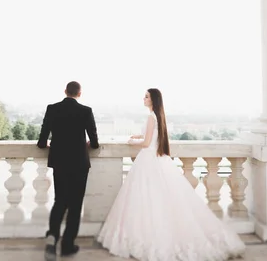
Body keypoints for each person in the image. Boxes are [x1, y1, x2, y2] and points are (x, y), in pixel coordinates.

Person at [97, 88, 245, 261]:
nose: (143, 99)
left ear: (153, 100)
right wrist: (140, 135)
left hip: (147, 160)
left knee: (146, 199)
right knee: (161, 198)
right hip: (156, 159)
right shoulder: (158, 116)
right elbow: (152, 137)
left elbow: (146, 143)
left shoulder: (150, 117)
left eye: (146, 97)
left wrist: (132, 141)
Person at [37, 81, 99, 259]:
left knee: (60, 201)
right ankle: (67, 245)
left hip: (60, 162)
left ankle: (52, 238)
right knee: (75, 204)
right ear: (79, 94)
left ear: (65, 92)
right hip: (79, 163)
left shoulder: (52, 108)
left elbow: (42, 138)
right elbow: (94, 141)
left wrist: (45, 144)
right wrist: (90, 144)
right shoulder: (86, 111)